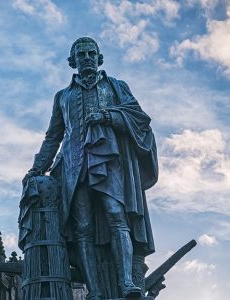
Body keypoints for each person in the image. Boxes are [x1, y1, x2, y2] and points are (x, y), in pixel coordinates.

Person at [23, 37, 158, 299]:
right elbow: (53, 136)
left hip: (109, 161)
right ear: (72, 61)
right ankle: (94, 291)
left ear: (99, 57)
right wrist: (37, 167)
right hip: (74, 165)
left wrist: (108, 116)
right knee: (81, 227)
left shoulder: (116, 86)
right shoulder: (63, 96)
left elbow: (139, 118)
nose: (86, 58)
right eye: (81, 54)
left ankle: (128, 283)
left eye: (90, 53)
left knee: (116, 216)